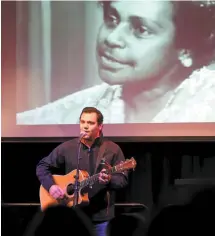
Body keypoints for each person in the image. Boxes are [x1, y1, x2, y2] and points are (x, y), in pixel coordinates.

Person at [17, 0, 215, 124]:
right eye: (112, 19)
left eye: (141, 30)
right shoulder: (65, 116)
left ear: (186, 47)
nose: (112, 38)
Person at [36, 107, 128, 236]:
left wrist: (109, 180)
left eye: (90, 123)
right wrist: (51, 186)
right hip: (73, 218)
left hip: (100, 219)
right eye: (82, 122)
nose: (85, 126)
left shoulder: (112, 149)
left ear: (100, 126)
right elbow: (42, 166)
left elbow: (122, 180)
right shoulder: (69, 147)